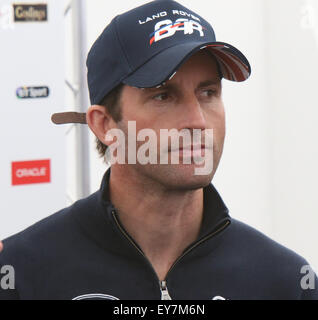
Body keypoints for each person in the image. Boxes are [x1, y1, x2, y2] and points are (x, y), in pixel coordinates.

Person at [0, 0, 317, 300]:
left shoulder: (285, 281)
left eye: (208, 92)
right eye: (164, 95)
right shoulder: (22, 274)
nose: (197, 121)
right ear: (105, 124)